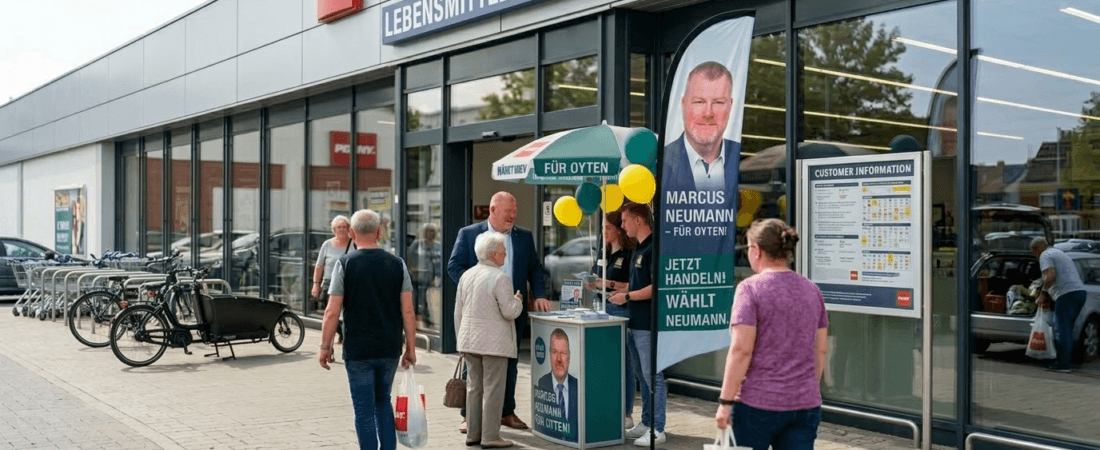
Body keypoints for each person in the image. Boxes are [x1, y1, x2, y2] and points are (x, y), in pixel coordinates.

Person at [714, 219, 828, 450]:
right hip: (804, 404)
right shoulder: (812, 290)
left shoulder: (750, 289)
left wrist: (725, 402)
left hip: (757, 404)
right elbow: (821, 348)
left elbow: (741, 350)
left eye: (748, 248)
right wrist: (805, 387)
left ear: (756, 250)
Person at [448, 191, 551, 432]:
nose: (512, 217)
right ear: (493, 210)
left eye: (514, 212)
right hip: (480, 312)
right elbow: (454, 266)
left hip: (511, 311)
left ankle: (506, 412)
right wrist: (478, 287)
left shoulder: (523, 236)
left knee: (511, 362)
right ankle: (469, 416)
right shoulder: (469, 234)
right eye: (508, 212)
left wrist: (541, 294)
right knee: (473, 364)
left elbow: (534, 268)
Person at [318, 209, 416, 450]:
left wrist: (325, 346)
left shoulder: (345, 264)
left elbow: (332, 311)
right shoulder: (398, 264)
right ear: (380, 232)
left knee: (363, 409)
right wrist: (411, 348)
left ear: (351, 233)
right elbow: (408, 311)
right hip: (389, 346)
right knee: (383, 401)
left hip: (358, 349)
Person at [455, 231, 524, 449]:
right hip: (494, 343)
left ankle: (473, 434)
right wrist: (518, 300)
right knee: (493, 389)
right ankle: (490, 436)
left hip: (469, 341)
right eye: (503, 251)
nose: (505, 254)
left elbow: (458, 311)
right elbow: (510, 312)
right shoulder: (500, 278)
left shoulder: (467, 275)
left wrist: (460, 339)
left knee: (474, 388)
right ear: (494, 254)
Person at [608, 202, 666, 447]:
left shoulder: (654, 248)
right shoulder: (638, 249)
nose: (622, 226)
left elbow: (656, 287)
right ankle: (646, 422)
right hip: (633, 320)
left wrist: (628, 297)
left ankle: (658, 428)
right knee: (642, 376)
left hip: (647, 323)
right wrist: (619, 292)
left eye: (625, 221)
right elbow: (635, 283)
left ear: (639, 220)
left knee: (653, 375)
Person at [584, 210, 636, 429]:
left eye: (607, 228)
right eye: (601, 228)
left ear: (618, 230)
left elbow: (634, 285)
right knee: (603, 360)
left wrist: (608, 284)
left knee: (625, 363)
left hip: (620, 309)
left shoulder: (629, 253)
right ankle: (605, 407)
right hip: (600, 306)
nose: (603, 232)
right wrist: (591, 283)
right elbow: (597, 277)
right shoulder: (603, 251)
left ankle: (626, 412)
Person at [663, 61, 740, 193]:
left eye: (718, 102)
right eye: (699, 102)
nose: (708, 113)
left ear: (730, 106)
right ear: (683, 104)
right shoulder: (662, 162)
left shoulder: (742, 161)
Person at [1030, 237, 1086, 373]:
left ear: (1038, 248)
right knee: (1068, 329)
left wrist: (1042, 293)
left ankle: (1063, 364)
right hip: (1079, 293)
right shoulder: (1059, 253)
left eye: (1034, 252)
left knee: (1062, 329)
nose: (1035, 256)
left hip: (1066, 295)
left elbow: (1049, 275)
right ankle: (1070, 361)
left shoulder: (1045, 255)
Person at [312, 215, 354, 344]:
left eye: (344, 227)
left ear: (349, 228)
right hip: (329, 283)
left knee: (348, 312)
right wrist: (316, 284)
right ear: (334, 229)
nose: (341, 229)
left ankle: (347, 337)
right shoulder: (327, 245)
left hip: (349, 283)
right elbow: (319, 266)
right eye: (339, 227)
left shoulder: (355, 244)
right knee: (330, 313)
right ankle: (340, 334)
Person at [536, 328, 579, 441]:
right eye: (555, 352)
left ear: (569, 357)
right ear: (549, 354)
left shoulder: (578, 386)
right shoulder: (542, 383)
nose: (559, 359)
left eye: (563, 353)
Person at [407, 222, 442, 328]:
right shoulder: (417, 244)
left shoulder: (438, 246)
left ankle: (426, 319)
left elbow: (440, 262)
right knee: (419, 299)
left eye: (433, 232)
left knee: (427, 300)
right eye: (429, 231)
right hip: (418, 278)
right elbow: (410, 259)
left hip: (432, 278)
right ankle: (421, 319)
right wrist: (413, 269)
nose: (431, 234)